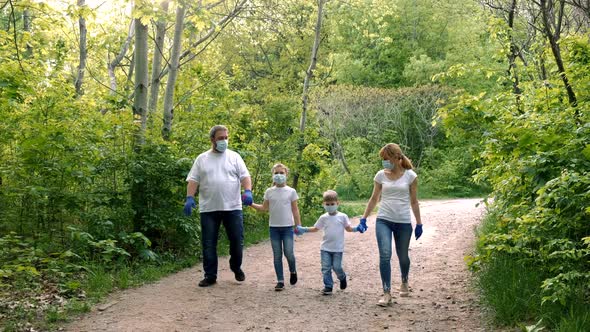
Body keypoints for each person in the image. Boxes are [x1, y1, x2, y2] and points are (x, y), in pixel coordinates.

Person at [184, 125, 253, 287]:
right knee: (208, 243)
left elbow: (245, 176)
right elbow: (193, 179)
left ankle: (236, 267)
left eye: (226, 138)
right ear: (212, 140)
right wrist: (189, 197)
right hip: (209, 209)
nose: (224, 141)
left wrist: (248, 191)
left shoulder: (234, 157)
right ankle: (210, 275)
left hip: (233, 207)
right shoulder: (202, 159)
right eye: (221, 138)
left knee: (237, 241)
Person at [360, 143, 423, 306]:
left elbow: (414, 201)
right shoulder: (380, 175)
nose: (384, 162)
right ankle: (386, 293)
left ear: (396, 157)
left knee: (403, 256)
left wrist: (419, 223)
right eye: (382, 159)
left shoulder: (410, 176)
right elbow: (374, 198)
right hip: (384, 220)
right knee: (385, 254)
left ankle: (404, 281)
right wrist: (364, 218)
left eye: (386, 158)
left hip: (403, 221)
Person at [296, 190, 366, 295]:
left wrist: (358, 228)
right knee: (325, 268)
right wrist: (303, 229)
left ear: (337, 203)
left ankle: (342, 277)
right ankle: (328, 286)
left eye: (332, 204)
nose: (330, 206)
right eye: (327, 204)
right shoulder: (323, 217)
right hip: (325, 248)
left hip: (338, 248)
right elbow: (316, 228)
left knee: (337, 267)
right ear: (324, 204)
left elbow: (348, 229)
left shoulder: (342, 216)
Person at [249, 163, 301, 291]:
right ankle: (280, 281)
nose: (279, 175)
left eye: (281, 173)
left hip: (288, 228)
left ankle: (293, 271)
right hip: (274, 228)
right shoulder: (269, 192)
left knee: (289, 253)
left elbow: (295, 210)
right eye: (276, 173)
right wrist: (250, 204)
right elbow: (264, 208)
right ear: (273, 175)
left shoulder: (291, 191)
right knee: (277, 255)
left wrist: (298, 225)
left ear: (286, 174)